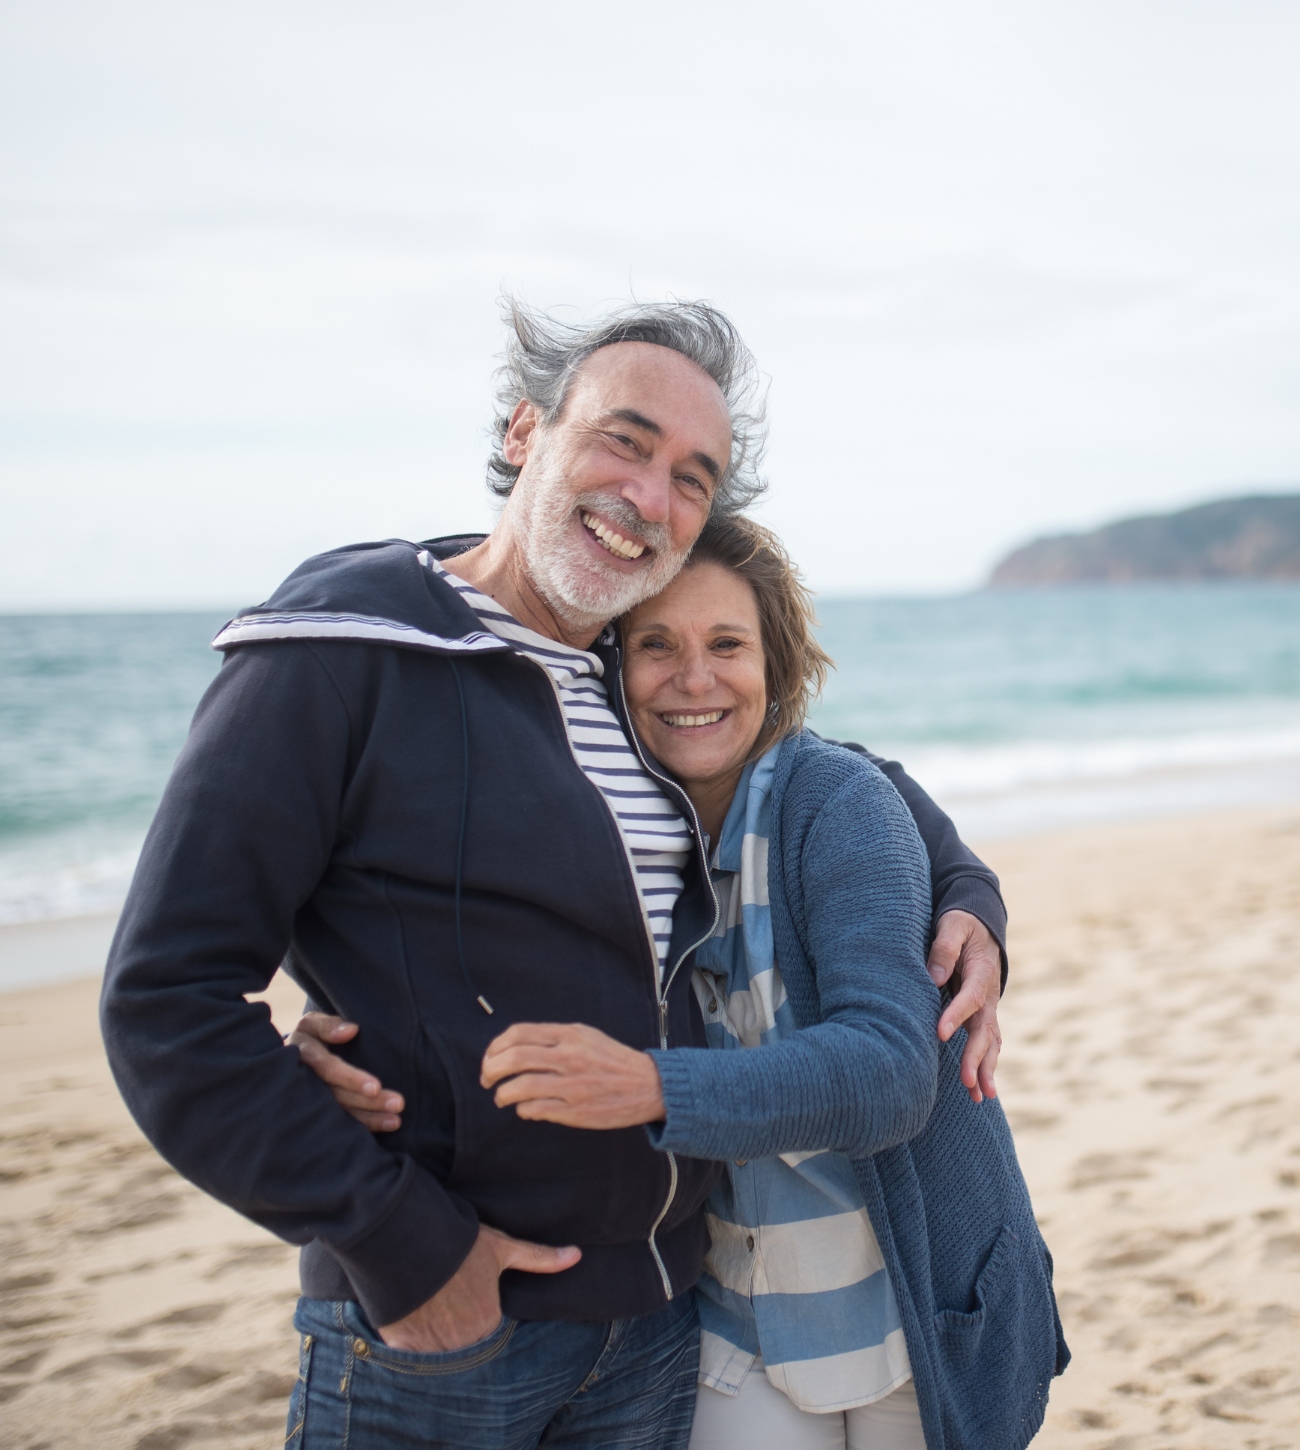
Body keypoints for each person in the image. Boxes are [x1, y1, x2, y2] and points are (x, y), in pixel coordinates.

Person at [101, 299, 1011, 1450]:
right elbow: (164, 1001)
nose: (650, 497)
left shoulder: (623, 673)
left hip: (667, 1321)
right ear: (525, 431)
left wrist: (967, 893)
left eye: (694, 476)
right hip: (447, 1334)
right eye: (623, 441)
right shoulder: (339, 653)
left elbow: (820, 768)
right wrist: (407, 1251)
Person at [301, 513, 1068, 1450]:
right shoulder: (599, 822)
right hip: (738, 1314)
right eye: (656, 644)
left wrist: (651, 1087)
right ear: (606, 667)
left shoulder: (836, 803)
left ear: (776, 667)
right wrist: (343, 1027)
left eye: (727, 645)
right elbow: (456, 921)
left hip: (915, 1310)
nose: (694, 678)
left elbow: (889, 1075)